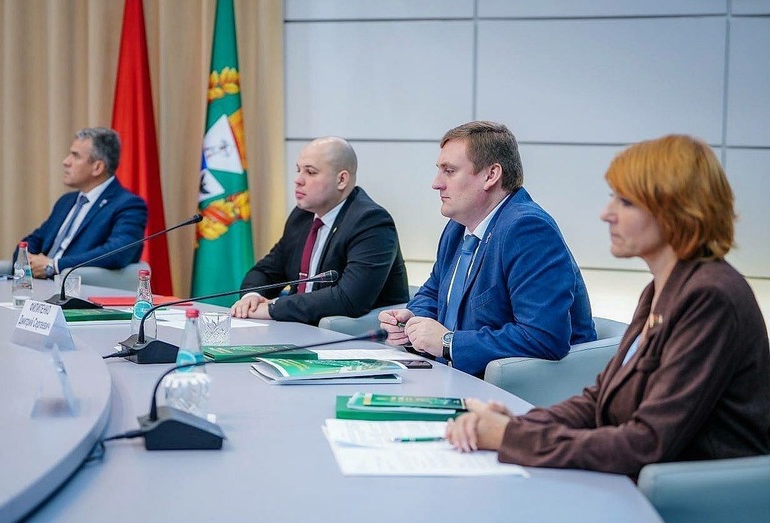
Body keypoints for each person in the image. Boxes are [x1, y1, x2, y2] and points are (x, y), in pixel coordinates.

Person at [446, 134, 770, 478]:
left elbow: (647, 442)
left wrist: (513, 438)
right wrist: (518, 426)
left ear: (677, 211)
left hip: (690, 492)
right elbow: (599, 401)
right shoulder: (661, 288)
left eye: (625, 202)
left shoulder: (710, 297)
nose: (606, 214)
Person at [379, 121, 595, 376]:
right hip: (454, 378)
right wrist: (411, 322)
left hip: (519, 390)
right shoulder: (457, 227)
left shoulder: (527, 229)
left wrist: (449, 343)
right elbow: (434, 292)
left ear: (491, 175)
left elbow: (543, 337)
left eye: (450, 171)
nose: (436, 184)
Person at [231, 136, 409, 325]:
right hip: (299, 328)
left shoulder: (371, 222)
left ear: (341, 180)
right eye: (298, 170)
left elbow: (348, 299)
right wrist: (252, 296)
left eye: (310, 172)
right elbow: (266, 271)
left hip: (352, 335)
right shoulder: (302, 216)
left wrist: (273, 308)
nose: (298, 180)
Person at [15, 127, 148, 279]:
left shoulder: (128, 205)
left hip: (77, 288)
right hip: (38, 284)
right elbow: (35, 239)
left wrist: (54, 266)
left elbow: (118, 252)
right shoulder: (66, 202)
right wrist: (26, 261)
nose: (66, 162)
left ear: (97, 167)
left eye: (75, 156)